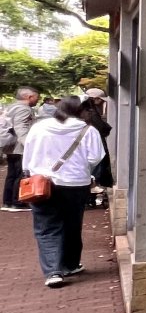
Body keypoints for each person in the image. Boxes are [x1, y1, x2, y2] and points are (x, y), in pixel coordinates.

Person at [22, 96, 105, 288]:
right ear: (80, 110)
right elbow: (95, 157)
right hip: (75, 184)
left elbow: (28, 154)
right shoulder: (88, 130)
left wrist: (30, 171)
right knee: (72, 225)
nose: (89, 113)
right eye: (87, 109)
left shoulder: (39, 128)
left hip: (42, 182)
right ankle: (70, 265)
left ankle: (53, 272)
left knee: (46, 227)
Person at [2, 87, 39, 211]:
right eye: (36, 97)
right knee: (20, 174)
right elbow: (20, 127)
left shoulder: (11, 107)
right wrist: (28, 144)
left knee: (12, 175)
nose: (37, 100)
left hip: (10, 146)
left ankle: (8, 202)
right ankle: (17, 202)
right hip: (20, 147)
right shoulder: (23, 109)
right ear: (29, 97)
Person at [75, 93, 113, 207]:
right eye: (99, 99)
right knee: (95, 172)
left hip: (79, 152)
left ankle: (88, 198)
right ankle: (91, 196)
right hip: (94, 147)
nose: (101, 102)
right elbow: (103, 128)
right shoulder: (91, 113)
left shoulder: (74, 117)